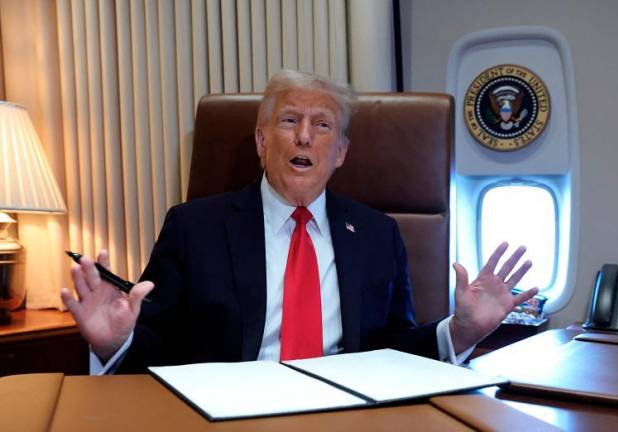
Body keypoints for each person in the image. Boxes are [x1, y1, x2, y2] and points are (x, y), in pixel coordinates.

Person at [61, 70, 537, 374]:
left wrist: (461, 332)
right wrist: (116, 344)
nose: (305, 136)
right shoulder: (193, 227)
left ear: (342, 153)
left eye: (323, 125)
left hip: (346, 418)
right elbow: (158, 345)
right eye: (289, 121)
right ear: (262, 142)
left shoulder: (377, 234)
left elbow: (394, 351)